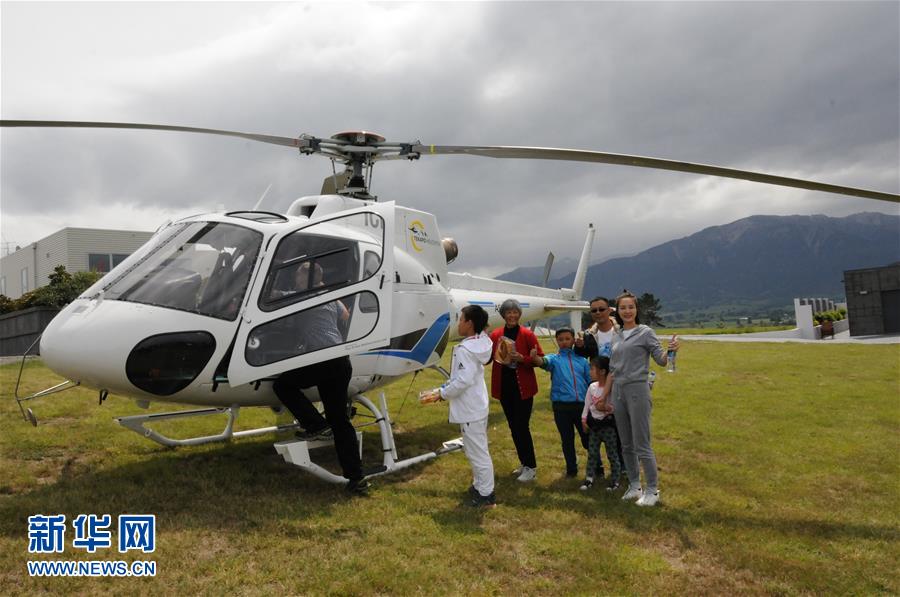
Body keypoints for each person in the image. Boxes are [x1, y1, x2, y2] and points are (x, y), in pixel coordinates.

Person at [272, 261, 368, 496]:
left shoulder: (300, 295)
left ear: (307, 279)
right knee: (340, 420)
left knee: (282, 385)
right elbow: (345, 315)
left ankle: (316, 425)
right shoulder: (331, 296)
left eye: (298, 276)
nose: (295, 280)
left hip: (323, 360)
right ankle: (357, 479)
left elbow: (271, 296)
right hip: (340, 361)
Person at [602, 291, 679, 507]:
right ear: (618, 311)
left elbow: (661, 361)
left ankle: (652, 490)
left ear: (637, 309)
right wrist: (606, 395)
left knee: (641, 443)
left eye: (631, 307)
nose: (627, 311)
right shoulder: (617, 335)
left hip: (637, 389)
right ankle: (635, 486)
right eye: (623, 307)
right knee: (626, 443)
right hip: (618, 391)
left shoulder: (645, 332)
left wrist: (670, 352)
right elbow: (613, 368)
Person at [422, 305, 496, 507]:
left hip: (471, 409)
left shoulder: (465, 349)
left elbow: (463, 381)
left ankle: (486, 495)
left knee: (477, 452)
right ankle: (480, 486)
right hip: (477, 405)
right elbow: (464, 378)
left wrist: (442, 394)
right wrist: (444, 388)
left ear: (469, 323)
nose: (459, 323)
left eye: (461, 319)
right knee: (474, 450)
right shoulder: (481, 342)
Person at [489, 299, 543, 482]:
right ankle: (524, 463)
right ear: (503, 315)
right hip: (505, 388)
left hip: (523, 389)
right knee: (513, 427)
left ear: (519, 314)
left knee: (522, 427)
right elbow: (487, 356)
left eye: (515, 312)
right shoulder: (495, 335)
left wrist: (523, 359)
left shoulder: (528, 335)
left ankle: (531, 467)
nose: (512, 316)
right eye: (508, 312)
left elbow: (540, 359)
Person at [530, 327, 593, 479]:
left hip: (581, 406)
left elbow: (590, 382)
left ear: (573, 340)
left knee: (588, 439)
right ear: (557, 341)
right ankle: (571, 469)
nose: (564, 342)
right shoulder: (554, 359)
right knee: (567, 439)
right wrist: (535, 358)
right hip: (561, 407)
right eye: (561, 339)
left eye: (567, 339)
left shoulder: (583, 361)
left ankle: (596, 467)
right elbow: (543, 362)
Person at [574, 295, 624, 475]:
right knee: (597, 424)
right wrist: (579, 346)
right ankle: (598, 467)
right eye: (593, 310)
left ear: (610, 310)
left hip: (620, 384)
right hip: (599, 385)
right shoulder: (589, 334)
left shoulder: (621, 331)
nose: (597, 313)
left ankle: (623, 467)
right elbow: (583, 354)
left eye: (601, 309)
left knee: (620, 427)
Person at [580, 356, 622, 491]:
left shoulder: (612, 388)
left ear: (603, 371)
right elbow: (587, 405)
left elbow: (615, 406)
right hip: (594, 428)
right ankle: (589, 479)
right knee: (592, 453)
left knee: (612, 454)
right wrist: (584, 420)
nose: (590, 372)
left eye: (592, 369)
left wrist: (606, 408)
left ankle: (615, 481)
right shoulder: (592, 387)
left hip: (608, 427)